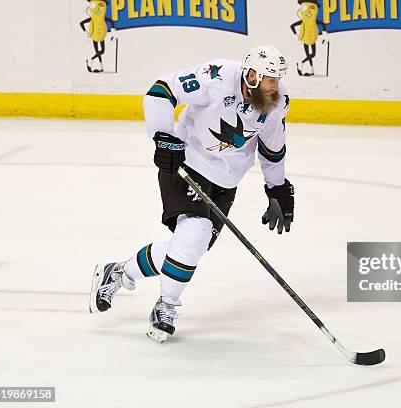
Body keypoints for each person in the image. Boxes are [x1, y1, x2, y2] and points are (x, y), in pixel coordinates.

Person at [89, 45, 295, 343]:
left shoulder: (278, 101)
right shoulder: (217, 76)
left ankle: (120, 272)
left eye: (277, 79)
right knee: (194, 233)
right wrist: (163, 138)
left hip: (226, 181)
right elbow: (161, 90)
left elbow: (272, 147)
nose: (274, 86)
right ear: (251, 75)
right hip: (185, 163)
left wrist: (277, 188)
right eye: (268, 79)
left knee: (189, 247)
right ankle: (167, 306)